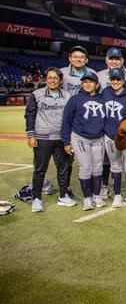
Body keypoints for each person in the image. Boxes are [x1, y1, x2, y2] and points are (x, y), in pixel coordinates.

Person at [25, 67, 76, 212]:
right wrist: (31, 135)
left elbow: (70, 118)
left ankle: (63, 195)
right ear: (46, 79)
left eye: (55, 78)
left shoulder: (67, 96)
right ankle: (36, 198)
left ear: (60, 80)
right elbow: (30, 115)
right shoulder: (36, 95)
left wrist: (69, 138)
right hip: (42, 138)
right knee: (40, 170)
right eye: (50, 77)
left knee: (63, 169)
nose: (52, 80)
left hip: (61, 138)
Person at [60, 72, 106, 211]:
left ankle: (96, 195)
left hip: (99, 138)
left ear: (97, 84)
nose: (87, 83)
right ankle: (87, 198)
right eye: (85, 81)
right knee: (86, 167)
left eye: (91, 81)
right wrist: (66, 142)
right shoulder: (75, 99)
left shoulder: (103, 99)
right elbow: (66, 121)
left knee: (98, 168)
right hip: (80, 137)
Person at [101, 68, 126, 207]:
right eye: (113, 79)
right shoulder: (105, 93)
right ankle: (117, 194)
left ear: (124, 80)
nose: (115, 82)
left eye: (118, 79)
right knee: (115, 165)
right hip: (110, 135)